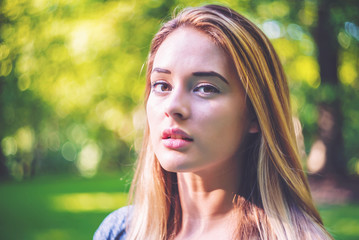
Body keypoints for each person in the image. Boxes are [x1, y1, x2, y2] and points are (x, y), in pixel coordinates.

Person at [94, 4, 333, 240]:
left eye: (205, 88)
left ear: (255, 113)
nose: (173, 106)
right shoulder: (120, 231)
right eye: (162, 85)